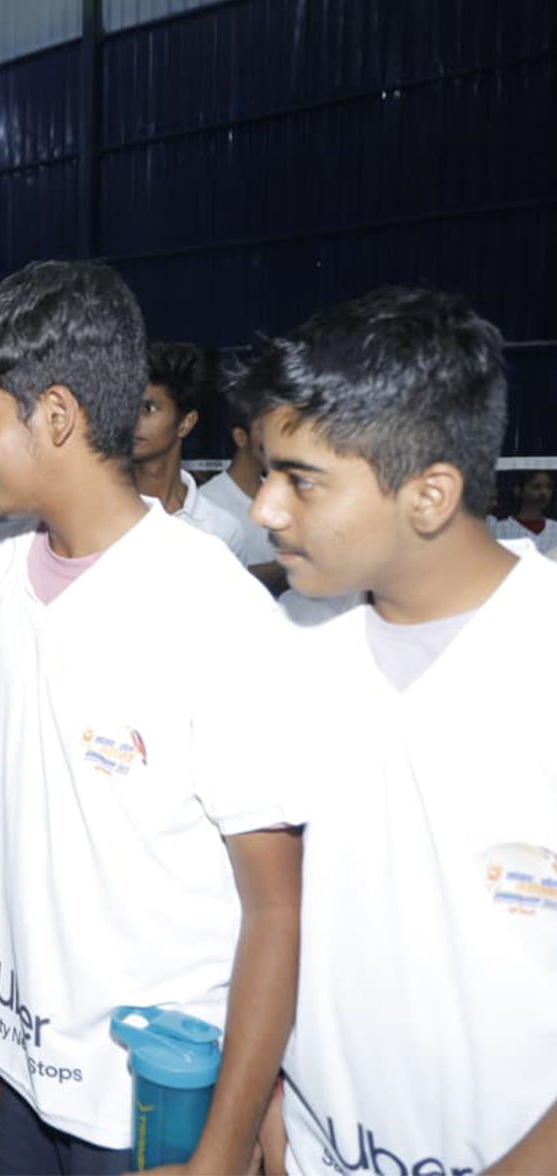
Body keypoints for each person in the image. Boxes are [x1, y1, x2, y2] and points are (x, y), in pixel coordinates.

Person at [0, 261, 301, 1174]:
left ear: (54, 416)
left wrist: (226, 1139)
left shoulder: (209, 602)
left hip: (157, 1082)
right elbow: (1, 811)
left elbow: (277, 904)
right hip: (20, 1051)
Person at [225, 287, 557, 1174]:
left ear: (430, 494)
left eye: (301, 479)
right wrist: (270, 1094)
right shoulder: (296, 640)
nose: (264, 509)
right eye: (267, 473)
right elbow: (282, 911)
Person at [132, 342, 250, 564]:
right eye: (128, 408)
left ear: (185, 423)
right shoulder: (97, 515)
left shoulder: (221, 531)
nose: (133, 421)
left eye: (148, 409)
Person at [196, 400, 286, 590]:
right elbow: (218, 580)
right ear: (240, 437)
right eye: (264, 430)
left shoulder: (280, 495)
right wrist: (290, 567)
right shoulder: (208, 501)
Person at [491, 469, 557, 551]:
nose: (544, 492)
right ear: (518, 490)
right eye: (536, 487)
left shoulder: (555, 528)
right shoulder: (501, 529)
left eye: (548, 487)